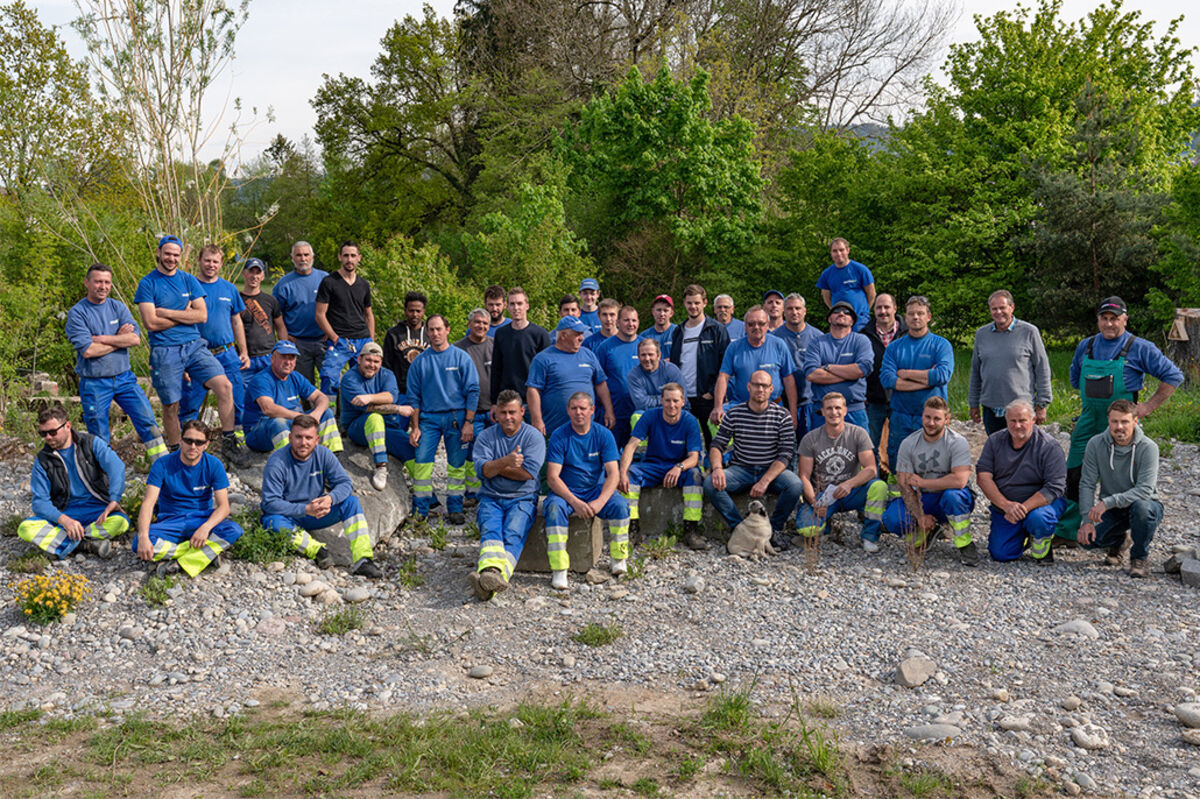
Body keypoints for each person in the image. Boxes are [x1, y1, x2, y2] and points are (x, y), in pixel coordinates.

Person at [1056, 296, 1184, 541]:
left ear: (1124, 319)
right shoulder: (1086, 345)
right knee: (1074, 475)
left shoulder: (1140, 347)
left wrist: (1147, 407)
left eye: (1114, 319)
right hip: (1087, 422)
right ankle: (1070, 531)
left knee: (1119, 479)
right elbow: (1075, 380)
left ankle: (1118, 536)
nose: (1109, 324)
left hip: (1120, 425)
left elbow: (1173, 376)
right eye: (1104, 319)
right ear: (1098, 320)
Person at [134, 235, 249, 467]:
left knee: (225, 386)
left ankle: (228, 443)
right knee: (171, 405)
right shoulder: (148, 283)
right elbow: (151, 323)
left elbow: (201, 315)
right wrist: (184, 315)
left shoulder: (188, 280)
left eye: (176, 255)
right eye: (167, 254)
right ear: (158, 253)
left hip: (195, 345)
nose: (171, 259)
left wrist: (166, 312)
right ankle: (176, 452)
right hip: (165, 349)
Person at [65, 263, 167, 461]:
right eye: (98, 282)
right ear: (87, 283)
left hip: (125, 379)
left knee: (147, 421)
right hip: (94, 382)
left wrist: (103, 338)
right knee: (99, 432)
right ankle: (104, 474)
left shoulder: (117, 307)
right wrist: (118, 340)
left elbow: (135, 339)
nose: (102, 286)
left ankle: (162, 465)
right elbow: (88, 351)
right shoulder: (78, 313)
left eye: (107, 282)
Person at [260, 414, 382, 578]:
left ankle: (363, 560)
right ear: (290, 438)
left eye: (308, 438)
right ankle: (318, 551)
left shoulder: (323, 454)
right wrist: (305, 509)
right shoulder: (277, 461)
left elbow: (345, 483)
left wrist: (330, 498)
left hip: (317, 512)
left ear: (317, 440)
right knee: (270, 521)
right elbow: (269, 503)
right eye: (298, 437)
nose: (303, 443)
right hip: (288, 515)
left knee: (351, 502)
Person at [703, 370, 802, 547]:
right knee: (711, 483)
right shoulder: (734, 413)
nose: (760, 389)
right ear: (748, 387)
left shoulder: (782, 415)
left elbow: (786, 454)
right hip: (741, 469)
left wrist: (765, 481)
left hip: (771, 471)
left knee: (795, 485)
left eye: (764, 386)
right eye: (756, 385)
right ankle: (739, 527)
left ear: (771, 389)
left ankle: (775, 529)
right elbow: (717, 445)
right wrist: (717, 468)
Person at [135, 419, 244, 578]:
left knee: (233, 529)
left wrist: (205, 528)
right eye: (188, 441)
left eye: (199, 442)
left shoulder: (214, 465)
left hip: (200, 519)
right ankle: (204, 555)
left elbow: (224, 507)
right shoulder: (162, 464)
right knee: (138, 542)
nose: (193, 446)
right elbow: (148, 502)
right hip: (171, 521)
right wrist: (143, 536)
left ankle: (179, 562)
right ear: (180, 440)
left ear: (206, 445)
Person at [544, 392, 631, 588]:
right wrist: (575, 502)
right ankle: (559, 569)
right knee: (554, 510)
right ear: (568, 410)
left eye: (583, 408)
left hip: (595, 489)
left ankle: (618, 558)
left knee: (621, 506)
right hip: (566, 492)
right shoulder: (559, 435)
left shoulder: (603, 435)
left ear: (592, 410)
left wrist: (600, 501)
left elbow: (613, 474)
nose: (578, 413)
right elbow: (552, 477)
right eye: (574, 408)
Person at [880, 396, 980, 566]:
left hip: (948, 496)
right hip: (923, 498)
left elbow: (960, 480)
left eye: (937, 418)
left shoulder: (957, 442)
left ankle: (964, 543)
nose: (931, 423)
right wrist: (919, 516)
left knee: (954, 497)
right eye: (927, 417)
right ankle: (925, 530)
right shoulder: (909, 443)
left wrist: (923, 483)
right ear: (922, 417)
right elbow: (904, 485)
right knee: (891, 518)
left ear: (947, 420)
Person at [467, 390, 547, 600]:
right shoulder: (486, 436)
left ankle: (491, 580)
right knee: (490, 530)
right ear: (496, 413)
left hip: (522, 497)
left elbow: (527, 474)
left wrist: (495, 466)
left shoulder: (533, 437)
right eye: (503, 413)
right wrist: (506, 461)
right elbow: (482, 471)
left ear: (522, 411)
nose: (508, 417)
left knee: (513, 532)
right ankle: (491, 575)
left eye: (512, 412)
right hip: (491, 496)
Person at [19, 406, 127, 560]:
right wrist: (65, 520)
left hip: (96, 510)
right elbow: (39, 502)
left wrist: (115, 500)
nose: (48, 437)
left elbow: (116, 467)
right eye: (43, 434)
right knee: (25, 528)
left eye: (52, 432)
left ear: (67, 426)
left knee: (121, 522)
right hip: (64, 512)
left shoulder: (91, 443)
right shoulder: (42, 460)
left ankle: (65, 542)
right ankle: (87, 544)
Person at [408, 314, 480, 525]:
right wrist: (415, 427)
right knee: (422, 463)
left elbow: (473, 390)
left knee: (456, 465)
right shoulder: (420, 362)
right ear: (427, 332)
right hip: (428, 419)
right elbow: (413, 398)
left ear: (447, 330)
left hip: (457, 417)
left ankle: (455, 508)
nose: (435, 333)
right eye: (431, 329)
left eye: (439, 329)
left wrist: (469, 421)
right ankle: (420, 509)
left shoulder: (461, 357)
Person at [1077, 399, 1162, 578]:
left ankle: (1139, 557)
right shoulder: (1095, 444)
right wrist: (1086, 520)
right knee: (1087, 541)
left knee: (1142, 510)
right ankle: (1119, 541)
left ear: (1135, 421)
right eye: (1114, 421)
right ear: (1108, 421)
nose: (1119, 427)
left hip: (1144, 504)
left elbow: (1145, 490)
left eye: (1124, 421)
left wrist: (1106, 503)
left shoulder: (1148, 447)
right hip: (1114, 509)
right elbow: (1087, 483)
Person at [976, 400, 1067, 563]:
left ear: (1033, 420)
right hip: (1006, 506)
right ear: (1006, 421)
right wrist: (1006, 506)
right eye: (1013, 421)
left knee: (1039, 519)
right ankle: (1023, 536)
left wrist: (1022, 509)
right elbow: (983, 477)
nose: (1017, 425)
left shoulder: (1049, 446)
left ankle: (1042, 540)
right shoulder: (994, 441)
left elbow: (1055, 487)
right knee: (1001, 554)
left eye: (1022, 420)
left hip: (1041, 505)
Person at [795, 393, 888, 550]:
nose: (834, 412)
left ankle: (870, 537)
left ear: (845, 410)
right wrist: (814, 503)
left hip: (851, 492)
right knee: (807, 529)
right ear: (822, 411)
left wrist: (849, 484)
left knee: (879, 486)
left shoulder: (858, 434)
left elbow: (871, 469)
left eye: (838, 408)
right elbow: (803, 475)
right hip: (823, 493)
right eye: (829, 408)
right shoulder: (810, 439)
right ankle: (826, 525)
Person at [618, 383, 706, 550]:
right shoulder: (650, 416)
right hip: (653, 466)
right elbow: (631, 445)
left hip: (678, 469)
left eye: (675, 401)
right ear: (661, 401)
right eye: (667, 401)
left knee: (695, 475)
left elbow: (694, 458)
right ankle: (633, 528)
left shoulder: (690, 421)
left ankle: (691, 529)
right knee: (629, 474)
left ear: (682, 401)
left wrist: (679, 467)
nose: (671, 405)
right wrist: (622, 472)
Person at [879, 295, 954, 474]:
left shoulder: (940, 345)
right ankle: (901, 498)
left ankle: (929, 498)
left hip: (932, 417)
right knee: (899, 463)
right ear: (905, 317)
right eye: (911, 314)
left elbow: (942, 375)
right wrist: (927, 380)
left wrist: (905, 374)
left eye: (920, 313)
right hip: (901, 416)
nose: (915, 317)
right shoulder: (894, 347)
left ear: (928, 316)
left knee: (935, 464)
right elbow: (887, 379)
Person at [180, 245, 250, 430]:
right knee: (190, 404)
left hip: (226, 353)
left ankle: (235, 440)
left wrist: (243, 350)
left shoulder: (229, 289)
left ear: (221, 264)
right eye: (207, 260)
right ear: (199, 261)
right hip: (197, 354)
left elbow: (236, 321)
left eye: (215, 261)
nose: (211, 265)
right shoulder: (188, 287)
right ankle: (188, 443)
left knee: (237, 400)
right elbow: (179, 323)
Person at [969, 290, 1053, 435]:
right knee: (997, 451)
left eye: (1002, 307)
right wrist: (973, 403)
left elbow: (1042, 368)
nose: (998, 312)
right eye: (994, 309)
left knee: (1023, 452)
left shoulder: (1029, 332)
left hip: (1021, 408)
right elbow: (976, 371)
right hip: (991, 407)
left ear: (1012, 307)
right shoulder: (981, 334)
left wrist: (1042, 403)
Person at [244, 341, 344, 453]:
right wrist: (301, 417)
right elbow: (268, 409)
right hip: (260, 433)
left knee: (326, 413)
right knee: (279, 422)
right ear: (272, 359)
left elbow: (322, 398)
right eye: (283, 357)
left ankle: (333, 455)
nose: (288, 362)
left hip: (292, 422)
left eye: (292, 358)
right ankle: (291, 461)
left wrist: (316, 414)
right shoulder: (261, 379)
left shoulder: (295, 377)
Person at [339, 341, 414, 491]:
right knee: (374, 417)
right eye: (368, 360)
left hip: (386, 428)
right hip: (358, 427)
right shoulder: (349, 379)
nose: (372, 365)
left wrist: (369, 397)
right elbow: (368, 408)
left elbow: (390, 397)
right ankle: (381, 467)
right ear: (359, 359)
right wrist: (398, 409)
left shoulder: (387, 374)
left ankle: (426, 498)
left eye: (376, 361)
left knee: (410, 448)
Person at [710, 306, 797, 427]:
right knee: (717, 425)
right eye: (751, 324)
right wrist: (718, 407)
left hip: (774, 409)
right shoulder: (734, 347)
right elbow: (723, 377)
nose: (756, 327)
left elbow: (789, 380)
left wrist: (793, 413)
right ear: (745, 326)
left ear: (767, 325)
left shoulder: (779, 345)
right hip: (742, 408)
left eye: (761, 323)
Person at [527, 316, 614, 436]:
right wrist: (537, 419)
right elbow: (533, 390)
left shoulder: (588, 355)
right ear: (563, 335)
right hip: (554, 428)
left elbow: (601, 384)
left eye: (582, 334)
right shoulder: (543, 358)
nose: (581, 338)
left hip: (586, 429)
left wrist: (609, 411)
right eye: (577, 334)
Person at [667, 284, 729, 451]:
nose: (693, 307)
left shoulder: (717, 330)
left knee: (713, 441)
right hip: (683, 397)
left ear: (705, 303)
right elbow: (674, 363)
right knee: (681, 441)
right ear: (684, 304)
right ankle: (687, 473)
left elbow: (725, 365)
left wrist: (712, 391)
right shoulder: (678, 331)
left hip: (706, 396)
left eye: (696, 303)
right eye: (689, 303)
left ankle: (714, 472)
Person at [315, 240, 375, 405]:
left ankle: (360, 416)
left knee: (367, 378)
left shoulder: (363, 284)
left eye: (353, 256)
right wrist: (334, 337)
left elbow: (369, 314)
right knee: (329, 377)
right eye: (346, 255)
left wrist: (371, 340)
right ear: (340, 257)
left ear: (359, 258)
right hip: (340, 340)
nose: (349, 259)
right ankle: (329, 417)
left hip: (362, 339)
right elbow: (320, 315)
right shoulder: (329, 282)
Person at [803, 301, 873, 432]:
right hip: (822, 412)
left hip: (854, 411)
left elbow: (862, 369)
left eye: (847, 312)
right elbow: (811, 374)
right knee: (820, 452)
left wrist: (828, 367)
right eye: (836, 311)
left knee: (860, 452)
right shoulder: (817, 343)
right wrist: (849, 375)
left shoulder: (861, 341)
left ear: (852, 321)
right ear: (829, 319)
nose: (841, 313)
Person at [861, 293, 906, 477]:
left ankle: (898, 484)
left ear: (895, 308)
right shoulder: (864, 335)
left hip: (901, 398)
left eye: (887, 307)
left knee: (898, 444)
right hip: (874, 399)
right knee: (870, 445)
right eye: (879, 307)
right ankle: (874, 485)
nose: (883, 311)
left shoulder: (908, 332)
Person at [272, 241, 327, 384]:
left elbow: (336, 309)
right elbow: (276, 315)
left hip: (324, 341)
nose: (303, 259)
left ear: (312, 257)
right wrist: (286, 337)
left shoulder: (325, 279)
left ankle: (332, 407)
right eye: (298, 255)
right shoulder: (283, 284)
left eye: (306, 255)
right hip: (298, 342)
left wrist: (331, 333)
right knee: (303, 383)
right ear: (292, 258)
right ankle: (307, 407)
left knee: (331, 382)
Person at [455, 309, 494, 505]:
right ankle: (472, 493)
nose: (481, 327)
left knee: (496, 452)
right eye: (478, 323)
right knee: (473, 453)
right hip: (472, 412)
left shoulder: (495, 346)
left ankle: (491, 492)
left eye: (485, 324)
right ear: (469, 324)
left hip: (494, 410)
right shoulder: (459, 349)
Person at [771, 292, 823, 440]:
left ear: (805, 311)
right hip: (782, 403)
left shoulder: (818, 337)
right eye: (790, 309)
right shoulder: (774, 338)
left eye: (798, 308)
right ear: (784, 311)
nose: (794, 312)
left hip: (812, 402)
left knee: (811, 445)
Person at [491, 286, 551, 405]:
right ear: (507, 307)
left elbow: (548, 371)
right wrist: (494, 402)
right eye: (512, 304)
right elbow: (496, 370)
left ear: (527, 306)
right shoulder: (501, 334)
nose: (516, 308)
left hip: (534, 401)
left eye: (519, 303)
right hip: (507, 400)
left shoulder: (540, 334)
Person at [595, 306, 643, 447]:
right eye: (626, 320)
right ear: (618, 322)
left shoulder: (645, 345)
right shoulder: (605, 348)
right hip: (614, 414)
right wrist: (607, 410)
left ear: (638, 322)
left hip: (640, 414)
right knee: (611, 456)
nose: (630, 324)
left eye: (633, 320)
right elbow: (598, 382)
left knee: (638, 457)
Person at [239, 257, 287, 376]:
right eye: (251, 272)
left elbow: (280, 327)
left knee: (269, 391)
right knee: (244, 392)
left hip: (268, 357)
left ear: (263, 276)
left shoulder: (270, 300)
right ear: (244, 274)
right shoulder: (237, 300)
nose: (254, 276)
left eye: (258, 273)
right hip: (245, 358)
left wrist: (284, 350)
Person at [817, 237, 875, 333]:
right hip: (839, 322)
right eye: (835, 251)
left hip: (860, 321)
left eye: (841, 250)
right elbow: (826, 296)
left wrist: (864, 311)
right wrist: (835, 311)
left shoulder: (861, 269)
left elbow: (871, 293)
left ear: (848, 250)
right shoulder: (826, 274)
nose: (838, 253)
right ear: (831, 253)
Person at [382, 291, 429, 396]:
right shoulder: (393, 334)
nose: (414, 314)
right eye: (411, 311)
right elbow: (386, 365)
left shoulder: (431, 333)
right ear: (405, 311)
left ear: (423, 312)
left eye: (418, 311)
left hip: (427, 391)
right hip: (401, 392)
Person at [628, 338, 686, 414]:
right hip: (649, 414)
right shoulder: (634, 375)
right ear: (638, 357)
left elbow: (681, 398)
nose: (647, 359)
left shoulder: (671, 370)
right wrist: (667, 398)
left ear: (659, 355)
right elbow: (641, 404)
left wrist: (651, 399)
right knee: (638, 414)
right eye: (643, 355)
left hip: (673, 411)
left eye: (650, 354)